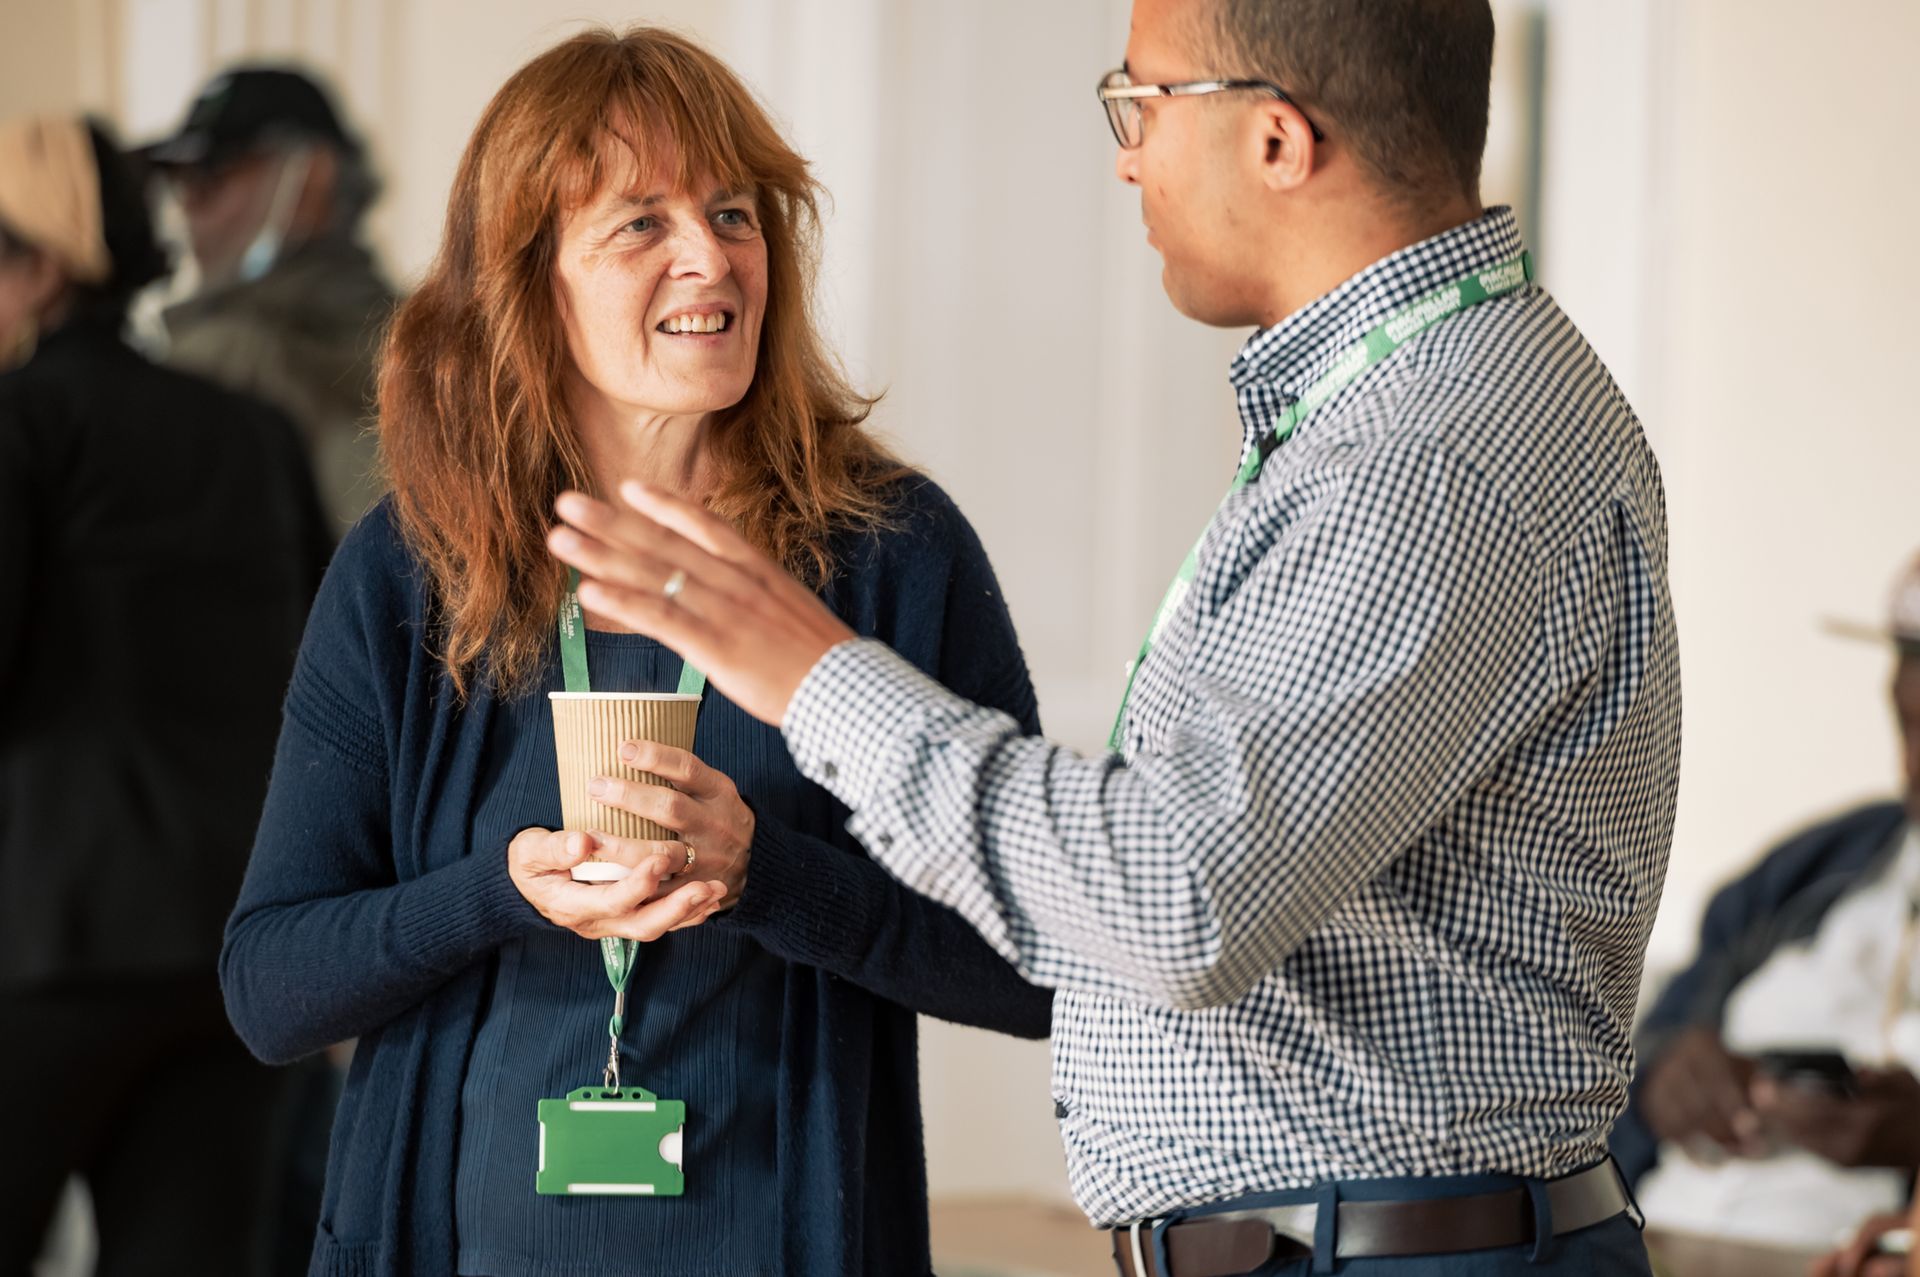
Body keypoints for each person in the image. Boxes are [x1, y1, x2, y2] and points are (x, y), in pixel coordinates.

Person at [547, 0, 1682, 1273]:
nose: (1127, 154)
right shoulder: (1403, 415)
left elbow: (1179, 899)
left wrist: (813, 673)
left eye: (1142, 102)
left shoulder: (1424, 461)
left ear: (1276, 139)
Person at [219, 27, 1052, 1277]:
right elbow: (270, 988)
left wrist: (769, 874)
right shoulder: (408, 567)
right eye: (640, 223)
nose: (710, 255)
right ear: (526, 281)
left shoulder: (893, 554)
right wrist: (500, 890)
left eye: (734, 211)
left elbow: (1036, 968)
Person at [0, 114, 332, 1275]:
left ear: (40, 264)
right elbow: (321, 687)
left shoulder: (19, 421)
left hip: (40, 943)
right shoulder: (249, 433)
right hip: (231, 954)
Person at [1610, 555, 1920, 1249]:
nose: (1914, 769)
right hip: (1653, 1234)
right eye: (1907, 727)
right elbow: (1644, 1048)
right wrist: (1667, 1072)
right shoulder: (1820, 863)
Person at [146, 65, 396, 531]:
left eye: (211, 176)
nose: (188, 209)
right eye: (180, 183)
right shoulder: (418, 337)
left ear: (313, 175)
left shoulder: (222, 357)